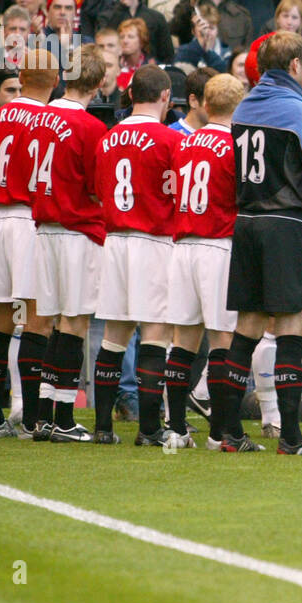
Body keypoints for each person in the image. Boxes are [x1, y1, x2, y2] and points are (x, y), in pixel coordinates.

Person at [223, 31, 302, 456]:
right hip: (287, 224)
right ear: (295, 65)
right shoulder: (301, 111)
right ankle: (291, 437)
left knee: (247, 328)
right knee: (291, 327)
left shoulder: (244, 106)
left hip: (248, 221)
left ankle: (230, 433)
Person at [163, 73, 261, 452]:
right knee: (223, 340)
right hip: (218, 245)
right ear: (241, 106)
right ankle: (222, 433)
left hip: (183, 245)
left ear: (205, 103)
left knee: (183, 340)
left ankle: (175, 429)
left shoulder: (185, 144)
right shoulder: (237, 146)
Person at [90, 64, 183, 446]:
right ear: (165, 97)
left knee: (114, 337)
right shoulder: (170, 140)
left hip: (114, 242)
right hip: (153, 240)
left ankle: (102, 428)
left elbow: (98, 192)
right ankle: (148, 429)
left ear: (129, 95)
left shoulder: (108, 138)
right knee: (155, 335)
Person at [27, 44, 110, 442]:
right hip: (77, 230)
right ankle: (62, 417)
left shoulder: (40, 118)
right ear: (98, 83)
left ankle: (44, 413)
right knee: (75, 323)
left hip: (44, 227)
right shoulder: (92, 128)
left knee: (57, 322)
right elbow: (98, 191)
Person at [0, 47, 60, 438]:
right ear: (55, 81)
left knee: (3, 320)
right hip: (29, 218)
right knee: (37, 321)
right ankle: (30, 419)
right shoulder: (47, 117)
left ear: (22, 78)